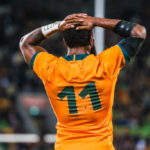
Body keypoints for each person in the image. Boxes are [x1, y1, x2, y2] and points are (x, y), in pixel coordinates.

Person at [19, 13, 146, 150]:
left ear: (65, 42)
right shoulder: (104, 64)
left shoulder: (51, 68)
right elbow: (138, 32)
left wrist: (57, 26)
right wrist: (96, 21)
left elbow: (25, 43)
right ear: (91, 40)